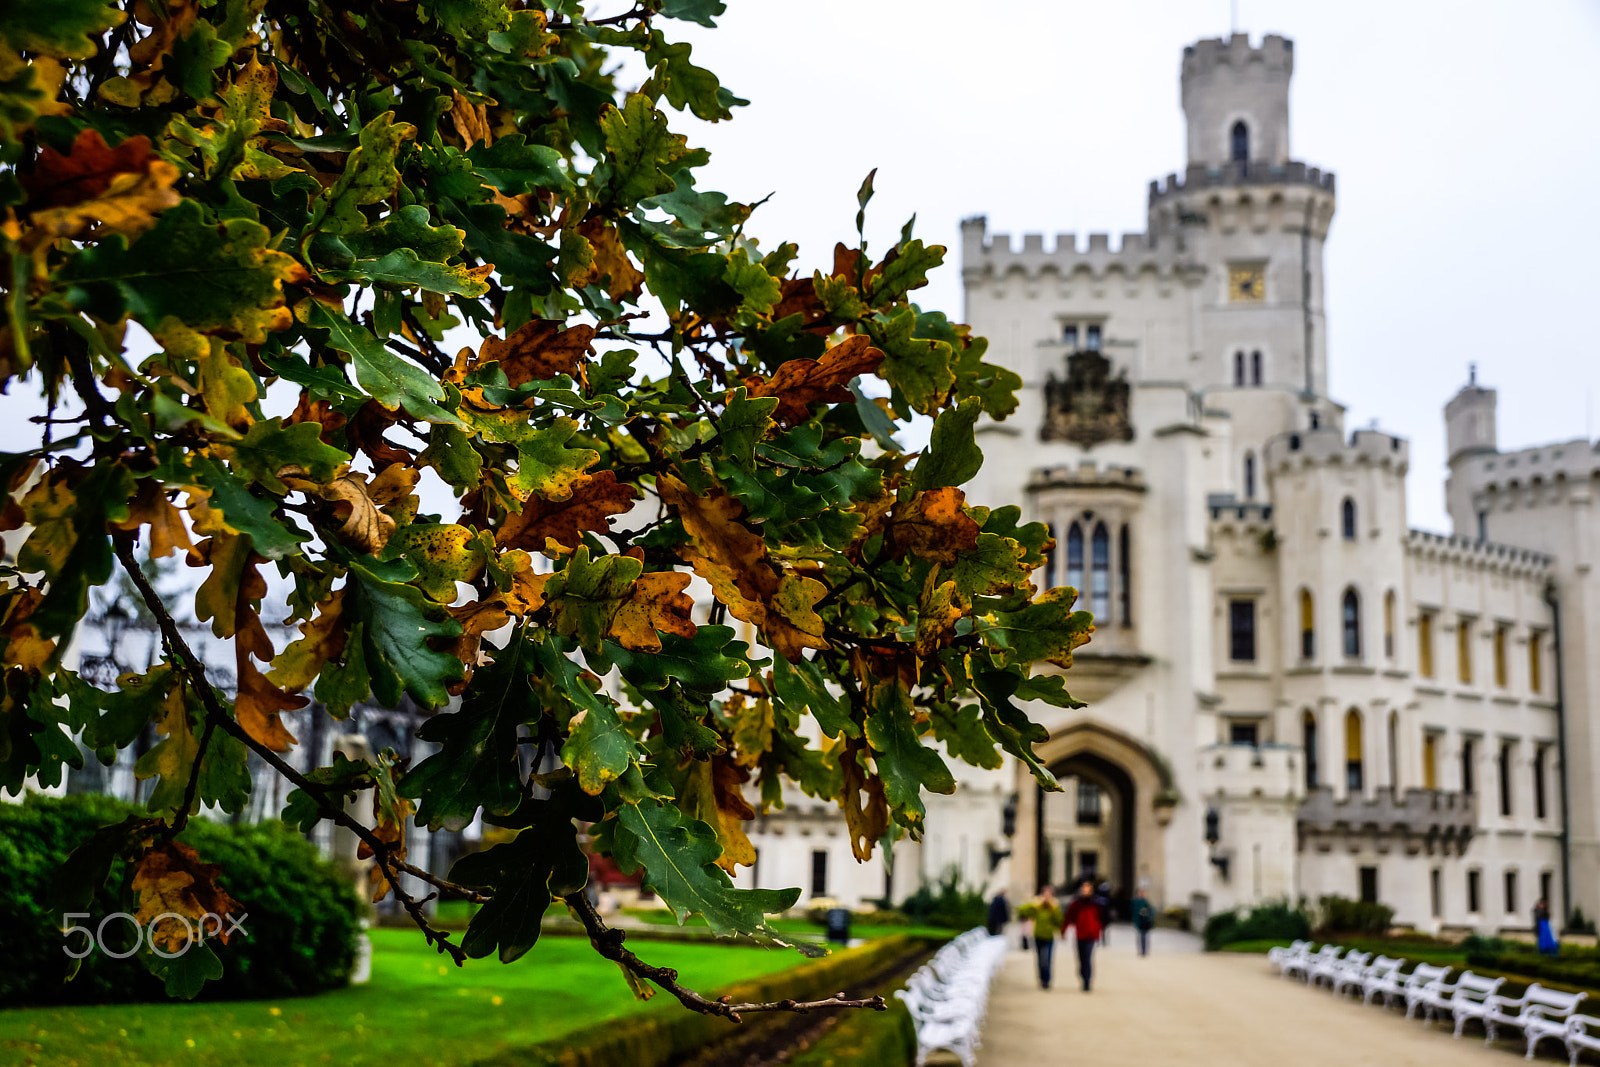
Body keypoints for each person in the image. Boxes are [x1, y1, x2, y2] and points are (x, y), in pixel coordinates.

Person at [1017, 886, 1065, 989]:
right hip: (1038, 935)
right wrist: (1034, 903)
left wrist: (1054, 908)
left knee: (1046, 959)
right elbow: (1022, 911)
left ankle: (1047, 980)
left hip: (1048, 936)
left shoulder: (1053, 908)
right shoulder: (1037, 907)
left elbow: (1059, 921)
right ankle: (1042, 979)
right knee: (1040, 959)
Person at [1062, 880, 1104, 991]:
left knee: (1088, 957)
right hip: (1080, 935)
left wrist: (1101, 931)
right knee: (1081, 958)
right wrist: (1063, 931)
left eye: (1088, 889)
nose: (1085, 891)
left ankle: (1087, 980)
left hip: (1091, 935)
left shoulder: (1096, 904)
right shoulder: (1076, 904)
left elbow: (1102, 919)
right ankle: (1083, 975)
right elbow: (1068, 917)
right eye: (1084, 888)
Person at [1131, 892, 1155, 956]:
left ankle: (1144, 951)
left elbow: (1151, 912)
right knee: (1141, 937)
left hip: (1144, 923)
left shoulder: (1145, 903)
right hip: (1141, 923)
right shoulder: (1138, 902)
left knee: (1144, 937)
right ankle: (1141, 950)